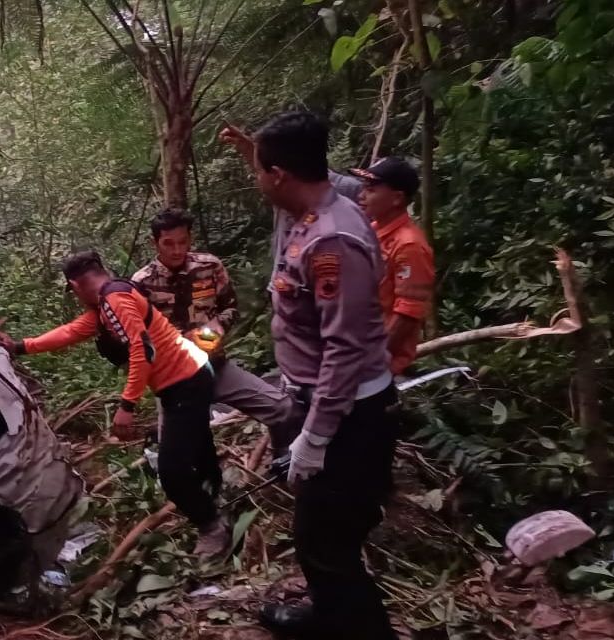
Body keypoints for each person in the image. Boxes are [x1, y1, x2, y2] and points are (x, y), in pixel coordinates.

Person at [220, 113, 399, 639]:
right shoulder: (315, 211)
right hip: (325, 404)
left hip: (350, 417)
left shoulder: (332, 241)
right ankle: (327, 618)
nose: (256, 180)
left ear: (278, 174)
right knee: (318, 537)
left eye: (259, 171)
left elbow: (343, 349)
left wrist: (316, 437)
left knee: (328, 545)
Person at [0, 251, 231, 557]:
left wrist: (127, 405)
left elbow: (141, 350)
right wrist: (20, 346)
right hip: (189, 376)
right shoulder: (108, 301)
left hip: (185, 381)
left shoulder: (115, 300)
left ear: (75, 285)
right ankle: (219, 497)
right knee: (198, 446)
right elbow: (72, 331)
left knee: (172, 471)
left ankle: (211, 527)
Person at [132, 210, 299, 454]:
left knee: (283, 409)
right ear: (154, 242)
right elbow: (141, 335)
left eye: (183, 241)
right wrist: (181, 340)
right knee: (176, 450)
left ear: (190, 239)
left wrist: (216, 327)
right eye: (168, 243)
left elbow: (230, 307)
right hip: (175, 380)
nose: (177, 250)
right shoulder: (141, 283)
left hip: (216, 366)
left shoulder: (209, 266)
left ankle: (284, 459)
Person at [351, 157, 435, 375]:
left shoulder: (409, 245)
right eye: (364, 188)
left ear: (397, 198)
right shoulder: (372, 229)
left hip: (376, 363)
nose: (362, 195)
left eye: (371, 189)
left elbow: (408, 312)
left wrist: (372, 357)